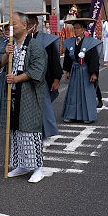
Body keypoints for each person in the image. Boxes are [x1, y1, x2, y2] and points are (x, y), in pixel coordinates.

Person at [0, 12, 47, 183]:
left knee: (29, 130)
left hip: (29, 94)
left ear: (25, 25)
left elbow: (38, 69)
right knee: (15, 130)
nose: (11, 27)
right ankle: (22, 164)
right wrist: (6, 55)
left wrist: (17, 78)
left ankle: (38, 167)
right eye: (10, 24)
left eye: (14, 24)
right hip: (12, 94)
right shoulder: (9, 45)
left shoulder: (35, 45)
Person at [26, 12, 63, 148]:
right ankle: (30, 135)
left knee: (44, 108)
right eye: (27, 24)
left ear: (36, 24)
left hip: (42, 80)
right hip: (25, 80)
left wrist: (56, 79)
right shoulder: (21, 40)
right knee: (28, 110)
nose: (29, 26)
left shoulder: (46, 40)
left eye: (31, 23)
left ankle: (45, 135)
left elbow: (54, 61)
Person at [62, 18, 102, 124]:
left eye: (78, 28)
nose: (75, 30)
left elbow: (94, 58)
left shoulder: (90, 42)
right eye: (74, 28)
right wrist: (67, 71)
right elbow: (67, 57)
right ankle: (71, 115)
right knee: (73, 94)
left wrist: (93, 73)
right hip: (75, 70)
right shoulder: (70, 42)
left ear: (83, 29)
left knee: (86, 93)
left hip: (85, 70)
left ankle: (87, 116)